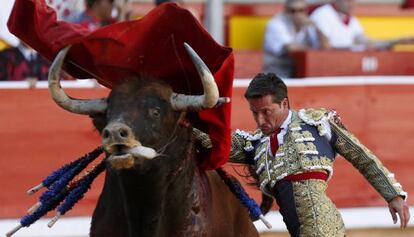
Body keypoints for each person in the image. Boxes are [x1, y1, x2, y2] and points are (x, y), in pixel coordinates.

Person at [194, 73, 410, 236]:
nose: (260, 121)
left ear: (284, 103)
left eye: (266, 112)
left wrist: (393, 195)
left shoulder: (316, 123)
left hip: (326, 230)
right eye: (254, 113)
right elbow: (213, 141)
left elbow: (361, 156)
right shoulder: (256, 144)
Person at [310, 0, 414, 50]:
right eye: (349, 1)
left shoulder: (352, 20)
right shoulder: (323, 14)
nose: (352, 4)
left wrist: (395, 41)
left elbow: (366, 42)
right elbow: (325, 49)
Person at [263, 0, 329, 78]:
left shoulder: (308, 24)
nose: (297, 14)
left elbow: (325, 47)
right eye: (292, 11)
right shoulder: (276, 23)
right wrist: (313, 49)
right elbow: (290, 48)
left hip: (303, 72)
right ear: (285, 11)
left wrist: (316, 28)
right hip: (277, 74)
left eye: (301, 10)